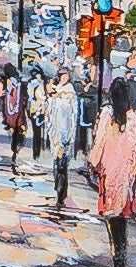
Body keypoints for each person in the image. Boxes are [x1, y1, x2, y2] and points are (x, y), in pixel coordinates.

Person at [88, 73, 136, 267]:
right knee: (123, 228)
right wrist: (135, 178)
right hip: (126, 181)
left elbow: (99, 144)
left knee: (113, 228)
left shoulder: (107, 115)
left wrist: (93, 163)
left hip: (109, 178)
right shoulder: (134, 117)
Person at [44, 56, 79, 212]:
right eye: (62, 75)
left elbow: (74, 115)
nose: (64, 78)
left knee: (62, 165)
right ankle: (58, 191)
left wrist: (71, 136)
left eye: (66, 75)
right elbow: (48, 113)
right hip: (55, 133)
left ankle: (61, 194)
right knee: (56, 164)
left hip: (65, 134)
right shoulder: (54, 91)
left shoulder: (70, 93)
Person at [0, 60, 26, 167]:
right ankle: (15, 151)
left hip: (12, 109)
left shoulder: (10, 82)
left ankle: (14, 151)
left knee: (15, 131)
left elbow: (10, 96)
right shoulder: (17, 82)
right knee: (17, 130)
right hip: (16, 109)